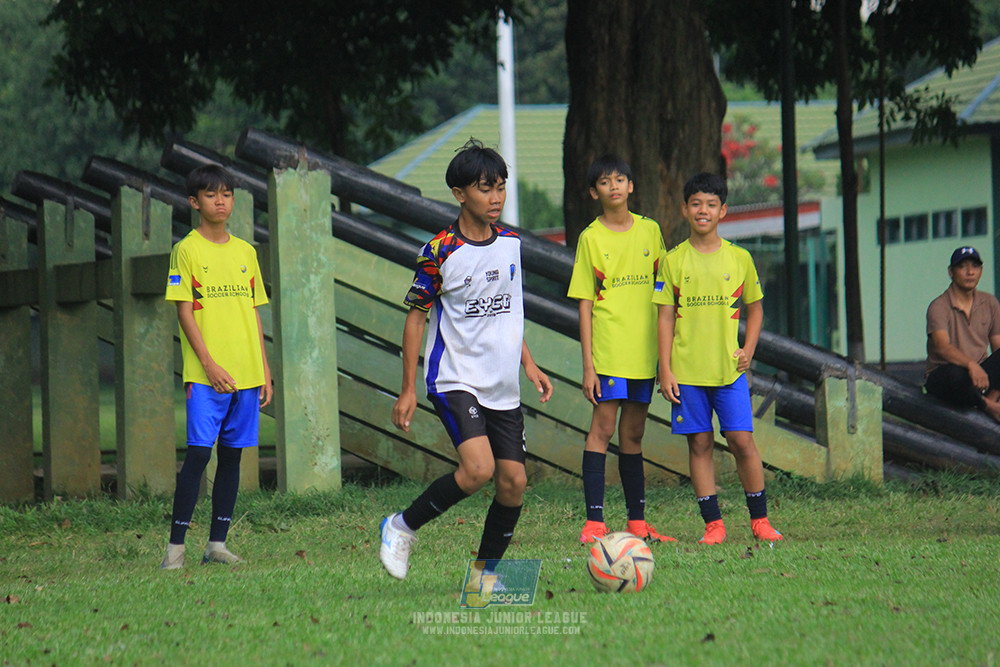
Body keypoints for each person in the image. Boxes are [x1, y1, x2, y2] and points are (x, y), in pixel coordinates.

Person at [380, 138, 553, 580]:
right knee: (478, 469)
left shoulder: (512, 243)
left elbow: (510, 312)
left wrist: (528, 363)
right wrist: (407, 389)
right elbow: (416, 319)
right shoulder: (439, 251)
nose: (495, 198)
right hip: (455, 377)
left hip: (503, 383)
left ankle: (484, 578)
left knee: (513, 484)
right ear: (460, 194)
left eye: (500, 187)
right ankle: (401, 526)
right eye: (484, 188)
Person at [654, 172, 782, 545]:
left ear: (723, 210)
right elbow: (664, 317)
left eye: (711, 204)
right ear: (685, 209)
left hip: (729, 373)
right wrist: (666, 369)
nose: (703, 210)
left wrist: (749, 351)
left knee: (742, 441)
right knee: (699, 444)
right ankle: (714, 525)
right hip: (687, 373)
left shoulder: (739, 258)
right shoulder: (673, 260)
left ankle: (760, 521)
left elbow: (755, 310)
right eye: (696, 203)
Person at [160, 164, 273, 569]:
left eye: (226, 194)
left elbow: (254, 313)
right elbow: (184, 312)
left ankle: (217, 545)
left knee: (232, 457)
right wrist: (208, 364)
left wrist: (263, 369)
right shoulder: (186, 250)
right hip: (206, 376)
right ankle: (175, 549)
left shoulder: (246, 252)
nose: (220, 201)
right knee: (198, 454)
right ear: (195, 203)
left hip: (246, 373)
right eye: (211, 195)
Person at [566, 155, 675, 544]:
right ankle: (594, 523)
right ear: (594, 192)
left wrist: (667, 360)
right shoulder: (590, 238)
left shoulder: (650, 232)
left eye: (620, 179)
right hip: (609, 352)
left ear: (631, 186)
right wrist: (588, 367)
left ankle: (637, 523)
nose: (613, 186)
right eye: (604, 182)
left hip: (644, 354)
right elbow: (584, 303)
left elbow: (666, 292)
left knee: (634, 434)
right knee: (603, 429)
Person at [924, 246, 1000, 421]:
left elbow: (997, 348)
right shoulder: (938, 306)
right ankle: (988, 407)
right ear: (951, 272)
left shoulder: (990, 303)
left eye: (975, 267)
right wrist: (972, 365)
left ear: (980, 271)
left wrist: (996, 388)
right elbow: (942, 347)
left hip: (980, 377)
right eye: (963, 267)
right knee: (955, 375)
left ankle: (991, 399)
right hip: (947, 377)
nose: (970, 272)